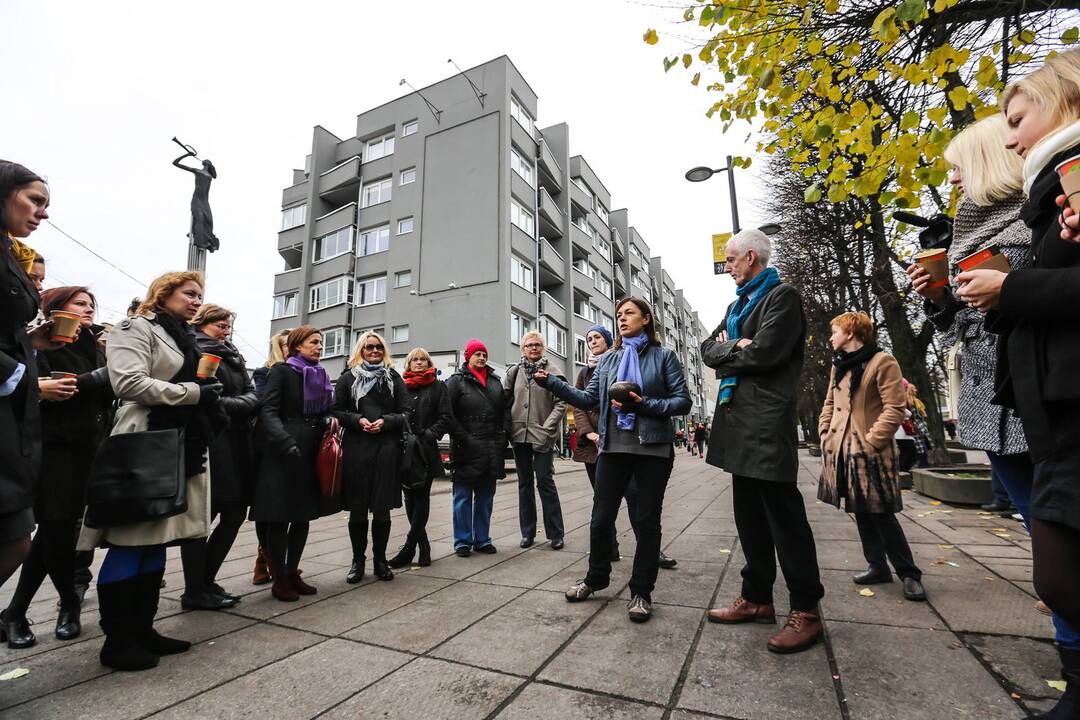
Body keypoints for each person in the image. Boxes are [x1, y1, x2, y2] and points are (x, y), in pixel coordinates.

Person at [955, 50, 1080, 717]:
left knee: (1058, 560)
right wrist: (957, 299)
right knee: (1055, 559)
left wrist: (1010, 287)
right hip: (1034, 397)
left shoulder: (1062, 180)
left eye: (1017, 117)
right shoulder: (1042, 193)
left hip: (1056, 398)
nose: (1010, 136)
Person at [76, 271, 221, 671]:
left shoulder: (183, 336)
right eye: (189, 293)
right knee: (131, 538)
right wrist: (193, 393)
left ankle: (143, 629)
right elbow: (128, 383)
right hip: (143, 440)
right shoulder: (133, 327)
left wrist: (207, 392)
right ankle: (117, 640)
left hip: (178, 441)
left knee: (156, 538)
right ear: (164, 292)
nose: (196, 301)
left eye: (200, 296)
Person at [702, 228, 825, 654]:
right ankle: (756, 598)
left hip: (766, 422)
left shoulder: (782, 297)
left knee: (784, 519)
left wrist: (730, 349)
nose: (728, 268)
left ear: (750, 257)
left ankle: (806, 610)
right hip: (739, 421)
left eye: (732, 260)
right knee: (749, 517)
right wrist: (737, 344)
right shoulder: (738, 305)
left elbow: (768, 352)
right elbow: (706, 350)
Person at [537, 297, 691, 623]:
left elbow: (682, 402)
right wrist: (552, 383)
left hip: (652, 450)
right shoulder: (609, 360)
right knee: (600, 518)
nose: (622, 319)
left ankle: (641, 591)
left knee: (647, 522)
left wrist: (642, 404)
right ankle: (596, 578)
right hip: (613, 448)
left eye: (629, 313)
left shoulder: (664, 356)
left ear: (646, 319)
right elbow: (588, 398)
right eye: (618, 314)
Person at [1, 287, 111, 648]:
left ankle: (17, 611)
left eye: (91, 304)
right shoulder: (45, 342)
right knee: (56, 531)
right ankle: (67, 603)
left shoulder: (95, 344)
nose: (88, 309)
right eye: (80, 303)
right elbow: (42, 392)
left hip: (87, 448)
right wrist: (103, 378)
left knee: (53, 533)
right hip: (53, 449)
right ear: (55, 309)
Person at [817, 312, 926, 601]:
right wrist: (825, 432)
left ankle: (909, 573)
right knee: (860, 510)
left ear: (851, 333)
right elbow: (830, 402)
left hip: (870, 451)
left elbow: (895, 407)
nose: (831, 337)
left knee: (882, 514)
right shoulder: (838, 365)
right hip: (841, 449)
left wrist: (871, 441)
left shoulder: (883, 362)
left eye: (835, 331)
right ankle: (877, 566)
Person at [176, 304, 257, 609]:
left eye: (228, 327)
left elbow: (252, 395)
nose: (226, 332)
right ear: (203, 324)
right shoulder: (196, 350)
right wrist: (238, 404)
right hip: (212, 440)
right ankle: (194, 589)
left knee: (235, 514)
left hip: (238, 442)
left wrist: (235, 403)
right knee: (203, 516)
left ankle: (206, 580)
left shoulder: (234, 354)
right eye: (220, 326)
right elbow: (206, 396)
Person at [0, 161, 51, 601]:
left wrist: (30, 343)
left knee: (16, 537)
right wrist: (15, 371)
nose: (43, 213)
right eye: (35, 200)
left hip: (14, 419)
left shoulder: (7, 250)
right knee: (14, 539)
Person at [252, 326, 331, 602]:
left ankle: (292, 571)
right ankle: (279, 578)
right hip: (284, 451)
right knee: (279, 515)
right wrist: (284, 440)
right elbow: (268, 410)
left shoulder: (320, 375)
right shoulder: (282, 371)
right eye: (314, 342)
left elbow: (324, 410)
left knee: (302, 515)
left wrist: (327, 420)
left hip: (310, 450)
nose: (319, 347)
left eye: (320, 343)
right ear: (297, 346)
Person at [334, 331, 406, 583]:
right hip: (357, 450)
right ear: (361, 351)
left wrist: (385, 421)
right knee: (358, 510)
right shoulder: (347, 378)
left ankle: (380, 560)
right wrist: (357, 420)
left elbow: (406, 412)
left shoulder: (393, 377)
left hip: (386, 450)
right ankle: (357, 561)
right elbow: (337, 410)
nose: (374, 351)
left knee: (382, 509)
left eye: (378, 347)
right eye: (368, 347)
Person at [389, 347, 452, 569]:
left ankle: (409, 547)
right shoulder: (400, 387)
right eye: (414, 359)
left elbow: (445, 418)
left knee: (421, 496)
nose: (419, 362)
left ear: (428, 363)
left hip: (425, 449)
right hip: (405, 450)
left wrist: (428, 434)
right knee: (409, 497)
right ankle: (423, 546)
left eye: (423, 359)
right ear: (408, 364)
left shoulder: (438, 387)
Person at [505, 330, 566, 550]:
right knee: (524, 484)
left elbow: (561, 403)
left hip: (543, 436)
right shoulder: (514, 371)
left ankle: (556, 533)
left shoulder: (552, 371)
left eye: (538, 345)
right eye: (529, 345)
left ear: (543, 348)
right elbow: (506, 399)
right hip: (519, 436)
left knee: (545, 481)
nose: (533, 348)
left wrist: (547, 427)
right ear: (523, 349)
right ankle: (527, 533)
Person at [445, 340, 507, 556]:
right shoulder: (455, 382)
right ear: (468, 357)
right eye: (477, 354)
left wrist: (502, 438)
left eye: (484, 354)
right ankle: (462, 541)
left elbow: (503, 413)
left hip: (491, 447)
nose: (481, 357)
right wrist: (463, 437)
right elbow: (448, 415)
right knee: (462, 498)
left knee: (485, 498)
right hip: (465, 448)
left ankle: (482, 539)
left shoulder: (495, 382)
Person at [249, 328, 291, 586]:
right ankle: (264, 558)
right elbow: (265, 405)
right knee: (266, 509)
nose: (291, 348)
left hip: (295, 443)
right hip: (269, 445)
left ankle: (279, 561)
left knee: (286, 509)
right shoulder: (264, 372)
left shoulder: (304, 371)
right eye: (286, 345)